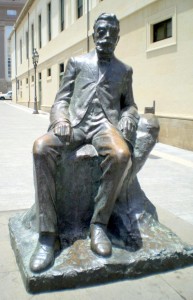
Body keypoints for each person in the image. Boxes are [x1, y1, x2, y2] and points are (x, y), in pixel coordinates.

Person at [30, 13, 139, 273]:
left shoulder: (124, 71)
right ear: (93, 34)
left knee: (121, 154)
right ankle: (48, 234)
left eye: (112, 33)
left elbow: (130, 105)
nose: (106, 37)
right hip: (76, 125)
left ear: (118, 38)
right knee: (41, 147)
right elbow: (61, 99)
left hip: (105, 126)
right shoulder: (77, 63)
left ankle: (98, 225)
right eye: (101, 31)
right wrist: (61, 120)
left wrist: (128, 118)